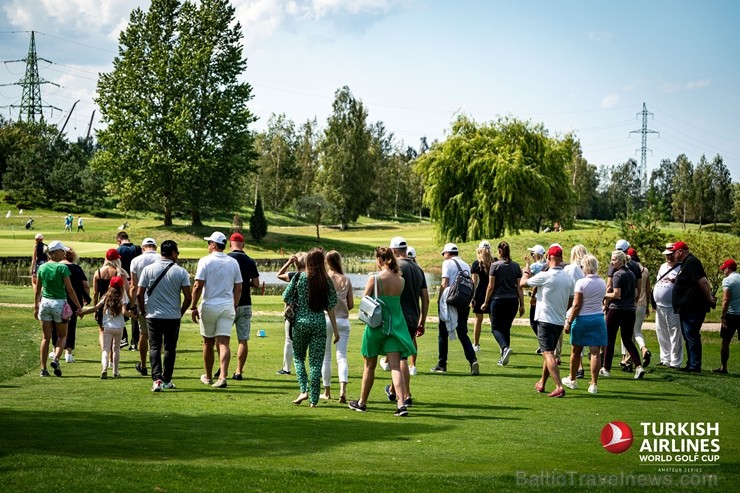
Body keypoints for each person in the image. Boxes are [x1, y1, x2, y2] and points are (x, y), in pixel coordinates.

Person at [348, 247, 416, 416]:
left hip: (375, 327)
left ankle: (362, 402)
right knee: (395, 367)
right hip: (394, 328)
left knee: (369, 366)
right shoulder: (401, 281)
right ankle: (401, 404)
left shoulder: (375, 278)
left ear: (380, 259)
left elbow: (365, 301)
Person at [283, 248, 339, 408]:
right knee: (316, 363)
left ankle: (303, 390)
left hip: (300, 322)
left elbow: (285, 296)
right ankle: (314, 400)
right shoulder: (326, 280)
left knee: (299, 358)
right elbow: (331, 306)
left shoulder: (299, 277)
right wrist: (335, 330)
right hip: (319, 323)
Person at [136, 240, 192, 392]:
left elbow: (139, 293)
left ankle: (157, 379)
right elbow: (188, 297)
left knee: (154, 347)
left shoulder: (148, 269)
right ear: (173, 253)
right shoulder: (181, 271)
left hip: (153, 315)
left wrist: (143, 311)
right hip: (172, 316)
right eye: (177, 253)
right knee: (169, 349)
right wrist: (181, 311)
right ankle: (167, 379)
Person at [191, 232, 242, 389]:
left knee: (208, 342)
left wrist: (193, 306)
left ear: (214, 244)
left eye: (209, 243)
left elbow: (198, 285)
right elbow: (239, 287)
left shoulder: (205, 261)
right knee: (224, 342)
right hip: (227, 305)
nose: (208, 245)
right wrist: (234, 305)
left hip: (210, 305)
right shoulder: (233, 262)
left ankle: (208, 376)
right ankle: (222, 376)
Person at [521, 245, 573, 397]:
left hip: (545, 319)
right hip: (558, 320)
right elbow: (571, 300)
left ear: (549, 257)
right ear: (561, 258)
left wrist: (525, 273)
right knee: (549, 352)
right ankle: (542, 383)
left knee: (548, 353)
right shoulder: (568, 278)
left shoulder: (545, 275)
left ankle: (558, 386)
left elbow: (523, 284)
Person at [384, 237, 429, 406]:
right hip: (412, 318)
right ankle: (394, 390)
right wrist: (422, 321)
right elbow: (425, 298)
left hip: (397, 318)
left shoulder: (396, 268)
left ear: (394, 250)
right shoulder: (418, 269)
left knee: (400, 357)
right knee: (400, 355)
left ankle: (406, 394)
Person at [34, 240, 83, 377]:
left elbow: (37, 290)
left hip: (44, 303)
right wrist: (79, 307)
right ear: (54, 253)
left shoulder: (42, 268)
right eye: (62, 251)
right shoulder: (62, 268)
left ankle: (43, 369)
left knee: (45, 337)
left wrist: (36, 306)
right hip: (59, 304)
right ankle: (55, 359)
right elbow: (70, 290)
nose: (64, 252)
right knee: (62, 336)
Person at [430, 243, 479, 375]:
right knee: (462, 333)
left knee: (442, 333)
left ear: (448, 253)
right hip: (463, 302)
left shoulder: (447, 263)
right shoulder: (465, 264)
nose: (444, 256)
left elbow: (444, 283)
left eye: (444, 254)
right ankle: (472, 359)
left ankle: (442, 364)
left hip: (450, 301)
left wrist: (440, 299)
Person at [562, 254, 607, 394]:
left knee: (576, 351)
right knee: (595, 352)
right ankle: (594, 384)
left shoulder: (581, 283)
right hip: (598, 318)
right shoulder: (602, 282)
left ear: (585, 267)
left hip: (582, 319)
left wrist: (569, 322)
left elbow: (576, 305)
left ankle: (572, 379)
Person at [669, 241, 716, 373]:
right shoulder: (685, 264)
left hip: (693, 307)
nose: (672, 255)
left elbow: (703, 282)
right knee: (688, 336)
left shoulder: (692, 262)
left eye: (674, 252)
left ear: (680, 251)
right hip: (686, 307)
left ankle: (695, 365)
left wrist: (710, 299)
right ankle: (691, 363)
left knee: (691, 335)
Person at [602, 250, 646, 379]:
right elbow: (636, 294)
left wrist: (603, 294)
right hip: (630, 311)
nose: (612, 262)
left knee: (609, 339)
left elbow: (616, 294)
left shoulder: (618, 275)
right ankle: (639, 366)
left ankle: (606, 368)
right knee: (627, 340)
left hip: (616, 310)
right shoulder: (631, 274)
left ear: (621, 260)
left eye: (614, 260)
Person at [481, 241, 524, 366]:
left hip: (498, 300)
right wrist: (522, 304)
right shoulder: (516, 266)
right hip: (512, 301)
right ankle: (503, 356)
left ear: (500, 251)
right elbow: (519, 287)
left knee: (495, 328)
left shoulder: (495, 265)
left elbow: (490, 286)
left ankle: (505, 348)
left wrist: (485, 302)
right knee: (506, 328)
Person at [81, 276, 129, 379]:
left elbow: (95, 308)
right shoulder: (122, 297)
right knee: (116, 349)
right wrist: (134, 316)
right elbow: (125, 312)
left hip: (107, 327)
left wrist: (83, 312)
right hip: (119, 327)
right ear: (121, 287)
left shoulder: (106, 297)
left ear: (110, 285)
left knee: (105, 349)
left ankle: (104, 368)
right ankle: (115, 372)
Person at [320, 250, 353, 402]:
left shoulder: (324, 278)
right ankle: (342, 390)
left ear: (327, 262)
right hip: (343, 321)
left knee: (326, 358)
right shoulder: (346, 280)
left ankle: (327, 391)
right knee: (342, 357)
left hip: (326, 319)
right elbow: (351, 304)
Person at [227, 232, 260, 380]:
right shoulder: (250, 261)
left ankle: (222, 369)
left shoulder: (226, 259)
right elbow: (256, 284)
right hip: (245, 302)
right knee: (243, 339)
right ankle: (239, 371)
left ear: (230, 244)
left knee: (223, 339)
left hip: (228, 302)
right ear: (243, 245)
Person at [92, 249, 132, 371]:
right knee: (116, 332)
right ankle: (111, 359)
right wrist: (131, 303)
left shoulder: (98, 273)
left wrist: (95, 309)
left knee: (102, 331)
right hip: (117, 305)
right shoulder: (120, 273)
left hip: (103, 305)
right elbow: (127, 289)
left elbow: (95, 293)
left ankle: (105, 355)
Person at [129, 238, 160, 371]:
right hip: (160, 302)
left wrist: (132, 304)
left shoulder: (136, 260)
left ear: (143, 248)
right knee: (159, 335)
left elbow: (133, 286)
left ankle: (143, 364)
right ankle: (158, 366)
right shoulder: (161, 258)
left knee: (144, 334)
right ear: (155, 247)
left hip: (142, 301)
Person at [621, 248, 653, 370]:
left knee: (627, 334)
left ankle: (628, 360)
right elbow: (648, 289)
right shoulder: (645, 270)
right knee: (637, 331)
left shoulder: (629, 269)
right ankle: (642, 349)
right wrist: (648, 307)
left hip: (631, 303)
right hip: (643, 303)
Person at [57, 247, 91, 363]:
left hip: (58, 299)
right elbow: (85, 285)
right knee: (71, 325)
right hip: (74, 300)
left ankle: (55, 349)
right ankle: (68, 352)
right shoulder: (77, 268)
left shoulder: (56, 267)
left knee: (56, 325)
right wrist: (86, 297)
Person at [276, 252, 307, 375]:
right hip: (309, 313)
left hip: (294, 313)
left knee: (289, 340)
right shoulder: (313, 276)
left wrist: (288, 262)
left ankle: (286, 368)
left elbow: (279, 275)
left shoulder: (295, 276)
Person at [653, 244, 683, 368]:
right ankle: (665, 358)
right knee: (661, 331)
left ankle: (675, 361)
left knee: (675, 333)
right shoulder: (662, 266)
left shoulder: (681, 267)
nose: (668, 257)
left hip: (673, 306)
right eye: (667, 255)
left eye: (671, 255)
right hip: (660, 305)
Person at [564, 244, 588, 377]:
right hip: (586, 303)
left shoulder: (571, 268)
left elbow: (570, 291)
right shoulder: (585, 269)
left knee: (575, 337)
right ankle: (580, 365)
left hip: (574, 302)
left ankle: (578, 367)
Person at [117, 231, 142, 348]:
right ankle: (135, 342)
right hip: (135, 283)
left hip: (122, 282)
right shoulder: (137, 248)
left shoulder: (118, 250)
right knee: (134, 310)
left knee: (121, 310)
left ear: (119, 240)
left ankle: (123, 337)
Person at [715, 259, 740, 374]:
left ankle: (723, 367)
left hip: (731, 314)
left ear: (728, 269)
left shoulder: (727, 280)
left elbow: (726, 299)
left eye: (724, 269)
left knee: (725, 341)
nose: (723, 271)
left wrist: (723, 316)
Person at [471, 241, 493, 352]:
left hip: (480, 294)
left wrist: (472, 297)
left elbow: (474, 282)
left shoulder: (476, 263)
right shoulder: (495, 262)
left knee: (478, 320)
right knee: (493, 320)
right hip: (492, 293)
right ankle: (502, 345)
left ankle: (476, 344)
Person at [524, 244, 547, 346]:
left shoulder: (535, 266)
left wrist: (527, 264)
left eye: (532, 253)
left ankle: (543, 342)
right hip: (545, 297)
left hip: (537, 296)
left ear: (537, 254)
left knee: (533, 321)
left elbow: (527, 276)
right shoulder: (546, 265)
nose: (531, 255)